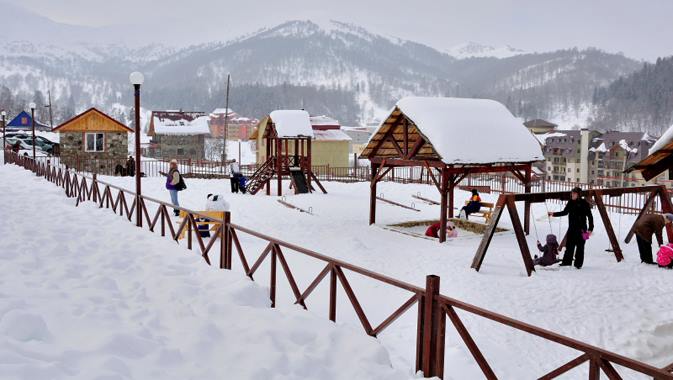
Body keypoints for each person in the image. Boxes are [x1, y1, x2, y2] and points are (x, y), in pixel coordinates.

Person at [548, 187, 593, 269]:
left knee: (580, 247)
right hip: (572, 229)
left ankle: (578, 264)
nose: (572, 194)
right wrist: (553, 214)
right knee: (569, 246)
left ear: (579, 195)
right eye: (572, 193)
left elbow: (590, 217)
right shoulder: (570, 202)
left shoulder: (584, 203)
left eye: (574, 193)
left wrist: (590, 229)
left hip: (583, 229)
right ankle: (566, 262)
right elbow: (565, 212)